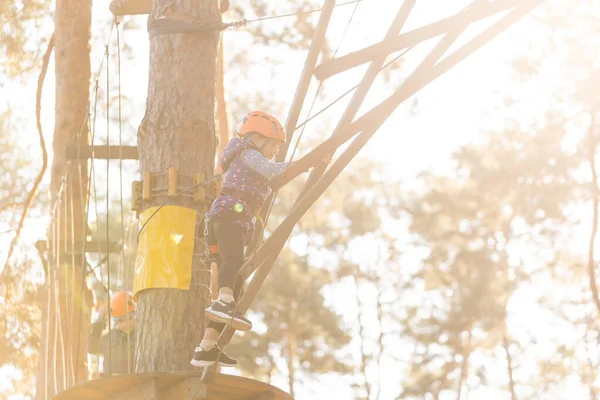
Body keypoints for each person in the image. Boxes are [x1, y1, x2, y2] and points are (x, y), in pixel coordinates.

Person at [190, 110, 328, 367]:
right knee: (232, 262)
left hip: (231, 219)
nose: (276, 150)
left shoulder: (250, 161)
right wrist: (308, 162)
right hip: (228, 216)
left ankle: (206, 347)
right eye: (274, 144)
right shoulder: (249, 154)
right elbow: (274, 171)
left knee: (236, 278)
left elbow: (274, 178)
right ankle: (223, 301)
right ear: (258, 138)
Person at [88, 290, 136, 375]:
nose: (126, 324)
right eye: (121, 321)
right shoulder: (111, 337)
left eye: (129, 319)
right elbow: (91, 347)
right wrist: (100, 318)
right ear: (116, 322)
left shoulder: (143, 337)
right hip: (110, 386)